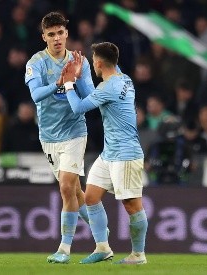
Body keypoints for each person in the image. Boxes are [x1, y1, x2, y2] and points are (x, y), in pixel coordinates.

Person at [61, 42, 148, 264]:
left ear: (98, 63)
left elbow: (79, 107)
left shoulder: (108, 88)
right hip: (109, 153)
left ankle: (138, 254)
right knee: (90, 197)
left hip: (126, 154)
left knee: (132, 205)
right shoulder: (124, 78)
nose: (93, 64)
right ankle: (102, 247)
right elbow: (98, 91)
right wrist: (81, 76)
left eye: (93, 61)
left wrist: (70, 82)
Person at [24, 11, 94, 264]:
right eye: (51, 34)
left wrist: (74, 77)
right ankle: (102, 235)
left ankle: (64, 248)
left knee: (66, 187)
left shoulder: (79, 61)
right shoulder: (36, 62)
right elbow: (35, 95)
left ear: (67, 34)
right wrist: (60, 83)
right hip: (49, 136)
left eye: (60, 33)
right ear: (44, 37)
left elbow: (90, 97)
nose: (56, 38)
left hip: (75, 131)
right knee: (75, 191)